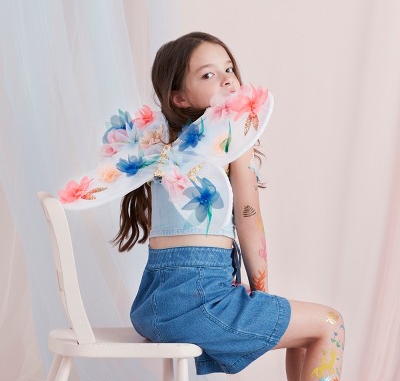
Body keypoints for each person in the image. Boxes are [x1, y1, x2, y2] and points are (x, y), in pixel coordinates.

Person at [60, 32, 345, 380]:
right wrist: (262, 295)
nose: (226, 79)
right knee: (329, 323)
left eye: (229, 69)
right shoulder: (233, 137)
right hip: (200, 304)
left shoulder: (160, 145)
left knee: (302, 334)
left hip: (153, 308)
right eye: (208, 74)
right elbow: (248, 219)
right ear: (179, 97)